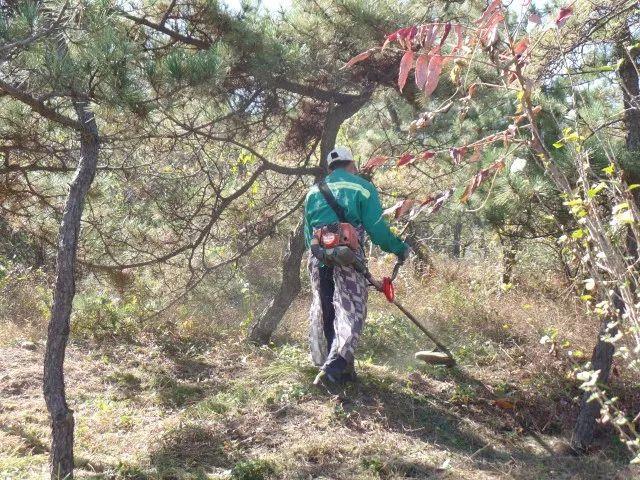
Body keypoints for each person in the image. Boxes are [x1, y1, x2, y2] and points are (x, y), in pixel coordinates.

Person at [304, 146, 409, 384]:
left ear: (330, 168)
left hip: (318, 257)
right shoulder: (362, 187)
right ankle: (336, 364)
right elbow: (377, 229)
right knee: (351, 309)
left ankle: (339, 369)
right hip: (348, 257)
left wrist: (320, 254)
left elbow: (306, 233)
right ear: (352, 165)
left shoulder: (312, 192)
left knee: (325, 309)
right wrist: (399, 248)